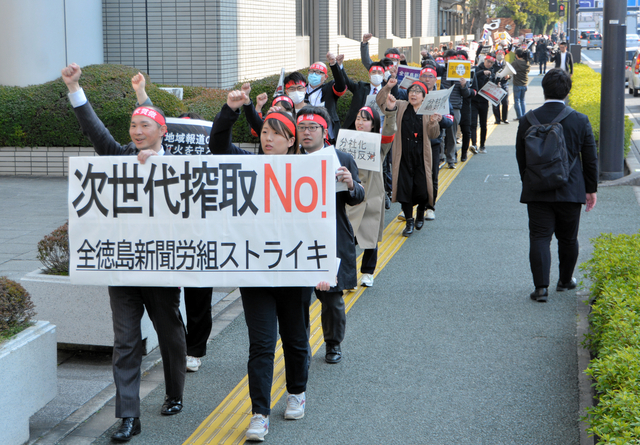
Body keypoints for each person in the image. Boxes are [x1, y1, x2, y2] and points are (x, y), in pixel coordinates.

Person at [61, 63, 187, 442]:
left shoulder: (180, 167)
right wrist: (74, 88)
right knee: (126, 341)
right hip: (123, 267)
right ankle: (128, 415)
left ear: (162, 131)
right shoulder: (117, 158)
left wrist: (160, 170)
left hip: (162, 268)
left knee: (169, 332)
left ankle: (174, 391)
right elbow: (93, 129)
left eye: (144, 125)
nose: (136, 131)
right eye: (133, 125)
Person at [209, 89, 332, 442]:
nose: (268, 139)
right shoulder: (247, 164)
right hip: (256, 271)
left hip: (295, 269)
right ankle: (259, 413)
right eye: (264, 132)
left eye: (277, 133)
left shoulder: (309, 168)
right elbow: (217, 146)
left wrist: (324, 268)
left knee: (295, 339)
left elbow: (322, 223)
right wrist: (231, 110)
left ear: (291, 140)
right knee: (261, 344)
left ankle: (296, 391)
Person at [130, 72, 213, 374]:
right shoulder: (161, 156)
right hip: (169, 236)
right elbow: (152, 118)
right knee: (172, 294)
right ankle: (179, 342)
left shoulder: (208, 153)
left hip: (201, 232)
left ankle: (195, 348)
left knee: (200, 295)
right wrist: (141, 93)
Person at [515, 69, 598, 303]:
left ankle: (541, 288)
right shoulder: (579, 119)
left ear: (543, 90)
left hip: (537, 190)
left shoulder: (528, 119)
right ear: (568, 91)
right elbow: (590, 159)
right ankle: (565, 280)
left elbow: (521, 157)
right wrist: (590, 189)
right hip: (570, 189)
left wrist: (530, 181)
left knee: (540, 237)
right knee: (568, 238)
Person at [297, 105, 365, 365]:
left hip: (331, 234)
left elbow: (357, 197)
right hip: (297, 238)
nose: (306, 132)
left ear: (325, 131)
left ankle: (333, 343)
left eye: (312, 127)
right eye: (301, 127)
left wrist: (350, 183)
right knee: (298, 298)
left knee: (332, 297)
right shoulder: (289, 158)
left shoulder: (342, 158)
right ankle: (300, 345)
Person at [376, 78, 442, 236]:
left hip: (421, 157)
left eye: (418, 92)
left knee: (423, 189)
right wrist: (388, 87)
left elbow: (434, 134)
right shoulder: (400, 105)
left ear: (424, 96)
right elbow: (380, 102)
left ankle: (420, 213)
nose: (414, 94)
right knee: (405, 190)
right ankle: (409, 221)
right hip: (403, 156)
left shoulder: (429, 110)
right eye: (411, 91)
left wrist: (433, 122)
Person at [346, 96, 398, 287]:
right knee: (347, 238)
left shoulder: (379, 143)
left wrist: (391, 112)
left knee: (370, 236)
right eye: (359, 118)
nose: (360, 122)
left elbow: (390, 132)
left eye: (366, 119)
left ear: (374, 123)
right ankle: (348, 274)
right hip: (350, 195)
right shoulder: (347, 141)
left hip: (372, 194)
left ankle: (368, 272)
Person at [304, 53, 348, 143]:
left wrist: (333, 64)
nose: (314, 74)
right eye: (311, 71)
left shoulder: (329, 88)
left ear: (325, 77)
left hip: (327, 136)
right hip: (306, 132)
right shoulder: (301, 89)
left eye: (318, 72)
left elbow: (341, 85)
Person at [440, 50, 472, 168]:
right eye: (446, 59)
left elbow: (466, 93)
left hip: (455, 107)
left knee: (452, 134)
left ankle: (451, 159)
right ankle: (440, 157)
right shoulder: (441, 71)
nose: (448, 61)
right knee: (440, 133)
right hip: (441, 106)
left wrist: (464, 85)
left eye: (451, 58)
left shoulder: (463, 73)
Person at [469, 54, 495, 154]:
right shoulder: (476, 68)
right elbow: (472, 76)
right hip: (474, 100)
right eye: (488, 62)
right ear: (484, 60)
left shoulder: (492, 71)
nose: (490, 64)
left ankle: (482, 145)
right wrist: (482, 73)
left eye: (492, 63)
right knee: (473, 124)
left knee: (483, 124)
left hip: (484, 101)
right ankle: (474, 144)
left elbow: (494, 82)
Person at [491, 50, 510, 124]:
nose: (500, 55)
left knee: (505, 102)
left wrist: (508, 76)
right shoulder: (493, 64)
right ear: (495, 55)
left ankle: (504, 118)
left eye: (501, 54)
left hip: (504, 84)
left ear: (504, 55)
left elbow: (511, 73)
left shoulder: (506, 64)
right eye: (498, 54)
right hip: (495, 85)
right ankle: (497, 119)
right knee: (495, 103)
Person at [512, 48, 531, 121]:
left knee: (517, 100)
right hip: (525, 84)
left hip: (517, 83)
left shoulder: (515, 63)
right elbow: (528, 71)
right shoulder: (527, 62)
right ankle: (524, 115)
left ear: (516, 55)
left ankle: (519, 116)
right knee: (523, 100)